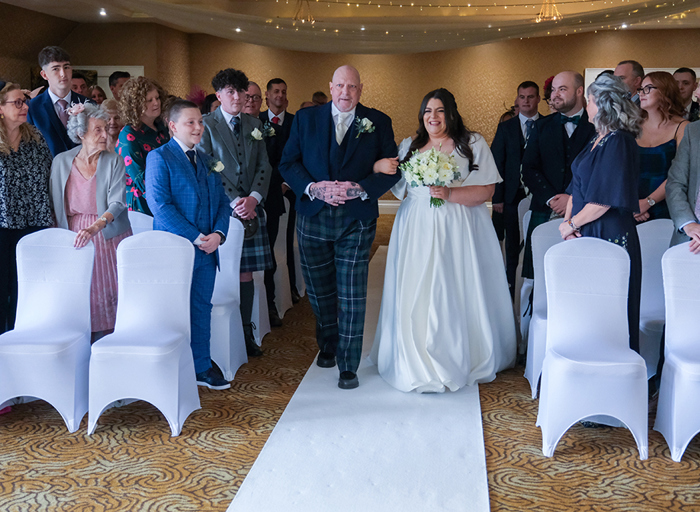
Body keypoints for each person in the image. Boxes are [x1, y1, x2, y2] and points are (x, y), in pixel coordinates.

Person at [372, 88, 516, 393]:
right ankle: (413, 352)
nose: (433, 117)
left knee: (451, 284)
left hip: (458, 225)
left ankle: (459, 353)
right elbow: (395, 181)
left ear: (450, 113)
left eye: (439, 111)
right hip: (416, 225)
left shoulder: (472, 143)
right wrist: (375, 167)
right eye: (427, 111)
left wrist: (450, 194)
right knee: (416, 284)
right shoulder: (410, 145)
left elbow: (488, 189)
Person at [280, 65, 400, 389]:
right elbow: (288, 163)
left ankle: (349, 365)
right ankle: (328, 344)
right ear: (330, 87)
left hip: (356, 220)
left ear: (361, 89)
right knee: (321, 294)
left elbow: (392, 169)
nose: (346, 92)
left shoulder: (378, 121)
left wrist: (360, 188)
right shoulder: (305, 120)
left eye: (352, 87)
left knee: (352, 293)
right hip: (313, 215)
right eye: (340, 86)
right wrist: (312, 187)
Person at [146, 99, 231, 390]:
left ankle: (202, 366)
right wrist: (196, 237)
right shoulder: (160, 157)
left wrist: (218, 234)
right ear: (173, 126)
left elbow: (222, 202)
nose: (198, 127)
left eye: (200, 122)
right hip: (174, 251)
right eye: (190, 122)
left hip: (208, 250)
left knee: (201, 307)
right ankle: (170, 367)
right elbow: (160, 206)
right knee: (171, 311)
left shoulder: (208, 159)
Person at [559, 73, 643, 352]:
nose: (587, 105)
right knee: (588, 306)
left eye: (590, 100)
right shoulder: (597, 139)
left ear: (603, 104)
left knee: (610, 307)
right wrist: (569, 225)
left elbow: (603, 201)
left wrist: (571, 224)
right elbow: (576, 190)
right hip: (587, 231)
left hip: (609, 233)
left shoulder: (619, 141)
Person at [198, 68, 273, 357]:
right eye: (230, 91)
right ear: (218, 95)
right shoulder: (207, 124)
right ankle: (216, 337)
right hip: (223, 212)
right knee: (222, 273)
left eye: (240, 91)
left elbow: (265, 165)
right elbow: (208, 167)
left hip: (252, 211)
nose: (237, 96)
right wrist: (236, 202)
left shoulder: (255, 123)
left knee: (246, 274)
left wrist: (253, 199)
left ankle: (245, 332)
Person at [49, 102, 133, 341]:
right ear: (80, 133)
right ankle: (84, 354)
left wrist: (96, 226)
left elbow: (117, 203)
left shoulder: (113, 160)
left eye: (106, 128)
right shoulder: (61, 161)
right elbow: (56, 206)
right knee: (83, 296)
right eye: (98, 129)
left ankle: (113, 349)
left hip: (108, 234)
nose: (106, 134)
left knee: (110, 294)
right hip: (75, 236)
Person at [521, 71, 596, 280]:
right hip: (545, 207)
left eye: (562, 89)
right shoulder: (540, 126)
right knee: (540, 272)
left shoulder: (597, 127)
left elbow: (600, 173)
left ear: (580, 91)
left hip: (585, 210)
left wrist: (572, 199)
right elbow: (528, 168)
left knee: (580, 273)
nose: (555, 95)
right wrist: (552, 198)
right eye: (553, 90)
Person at [0, 82, 53, 334]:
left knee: (28, 289)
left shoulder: (35, 136)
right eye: (17, 102)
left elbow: (50, 175)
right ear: (0, 108)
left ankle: (23, 343)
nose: (25, 106)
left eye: (25, 101)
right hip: (3, 226)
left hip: (34, 225)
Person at [491, 80, 540, 297]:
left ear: (538, 99)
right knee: (511, 245)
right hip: (511, 195)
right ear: (517, 99)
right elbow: (496, 164)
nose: (526, 101)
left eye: (531, 96)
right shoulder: (505, 128)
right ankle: (510, 287)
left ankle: (535, 287)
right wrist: (497, 198)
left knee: (535, 241)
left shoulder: (548, 125)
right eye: (522, 97)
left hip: (540, 196)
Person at [261, 78, 298, 326]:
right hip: (262, 192)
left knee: (289, 242)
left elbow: (301, 156)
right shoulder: (256, 122)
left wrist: (287, 184)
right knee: (268, 249)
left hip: (288, 189)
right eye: (276, 91)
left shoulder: (296, 123)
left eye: (284, 92)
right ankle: (266, 302)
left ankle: (292, 287)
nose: (280, 95)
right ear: (267, 96)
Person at [635, 72, 688, 223]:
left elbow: (680, 174)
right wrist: (633, 204)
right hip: (632, 207)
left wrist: (648, 202)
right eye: (641, 89)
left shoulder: (683, 128)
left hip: (667, 206)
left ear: (665, 91)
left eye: (648, 88)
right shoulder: (633, 126)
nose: (641, 93)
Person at [115, 77, 169, 215]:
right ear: (135, 105)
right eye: (149, 100)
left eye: (157, 98)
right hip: (142, 203)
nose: (156, 103)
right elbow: (139, 177)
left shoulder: (162, 128)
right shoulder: (128, 134)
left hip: (166, 197)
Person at [27, 46, 91, 157]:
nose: (63, 74)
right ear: (44, 75)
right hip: (48, 171)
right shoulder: (32, 107)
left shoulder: (89, 104)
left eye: (66, 67)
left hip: (85, 170)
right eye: (56, 69)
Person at [667, 114, 700, 251]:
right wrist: (688, 223)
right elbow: (675, 183)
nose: (697, 92)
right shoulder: (693, 130)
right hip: (688, 241)